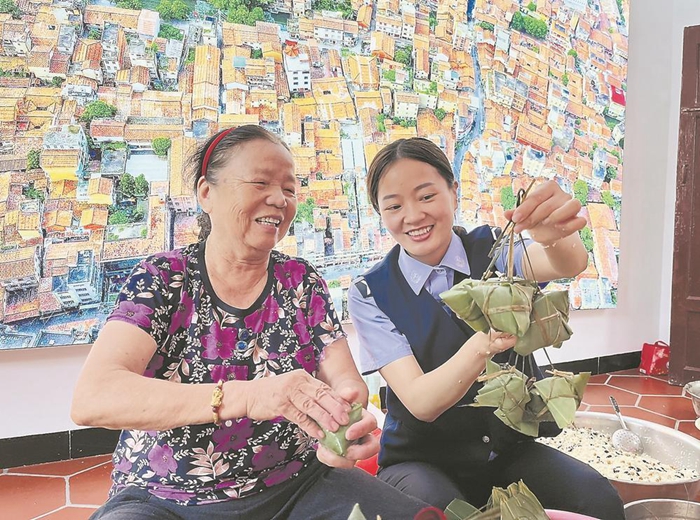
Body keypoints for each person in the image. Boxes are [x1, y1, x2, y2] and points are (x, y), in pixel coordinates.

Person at [71, 126, 431, 520]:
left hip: (297, 483)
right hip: (164, 497)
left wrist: (346, 415)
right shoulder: (162, 278)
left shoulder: (301, 280)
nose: (279, 199)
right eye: (260, 183)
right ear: (206, 193)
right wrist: (250, 396)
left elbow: (344, 379)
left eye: (289, 189)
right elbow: (94, 397)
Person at [347, 137, 625, 519]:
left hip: (506, 450)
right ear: (380, 213)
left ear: (453, 192)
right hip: (421, 461)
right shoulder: (370, 292)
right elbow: (421, 402)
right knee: (444, 513)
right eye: (394, 206)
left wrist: (555, 235)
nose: (412, 216)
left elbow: (566, 263)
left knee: (598, 500)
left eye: (426, 196)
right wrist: (485, 343)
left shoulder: (492, 246)